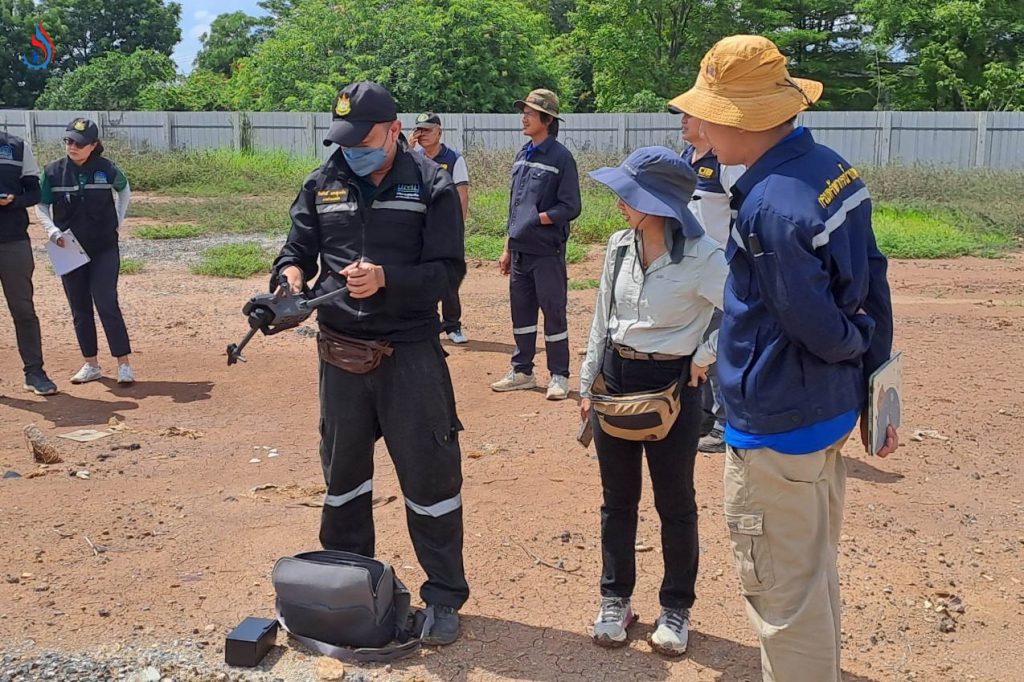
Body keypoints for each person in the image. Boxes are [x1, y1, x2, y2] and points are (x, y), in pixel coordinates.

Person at [668, 35, 898, 681]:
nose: (703, 128)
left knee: (782, 595)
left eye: (709, 114)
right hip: (820, 410)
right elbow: (872, 277)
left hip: (780, 417)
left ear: (745, 118)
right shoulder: (828, 169)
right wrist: (869, 373)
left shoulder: (770, 205)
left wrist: (850, 349)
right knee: (810, 573)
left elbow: (810, 320)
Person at [270, 81, 469, 646]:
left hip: (409, 356)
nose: (351, 149)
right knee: (344, 483)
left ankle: (444, 595)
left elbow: (448, 273)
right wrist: (288, 280)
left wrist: (387, 280)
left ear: (393, 130)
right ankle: (348, 587)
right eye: (345, 139)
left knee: (432, 483)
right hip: (340, 355)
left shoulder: (431, 183)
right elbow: (295, 252)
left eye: (363, 139)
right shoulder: (322, 182)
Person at [579, 147, 727, 655]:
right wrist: (586, 381)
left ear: (660, 203)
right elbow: (601, 316)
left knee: (675, 503)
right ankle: (615, 598)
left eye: (629, 194)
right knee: (617, 500)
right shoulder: (620, 246)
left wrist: (705, 355)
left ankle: (676, 607)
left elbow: (743, 314)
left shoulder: (706, 257)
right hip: (615, 380)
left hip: (674, 388)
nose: (619, 202)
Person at [490, 89, 581, 401]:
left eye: (530, 112)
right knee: (522, 314)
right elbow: (515, 207)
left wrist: (539, 219)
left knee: (553, 313)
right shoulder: (522, 154)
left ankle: (559, 375)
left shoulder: (561, 158)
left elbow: (571, 206)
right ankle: (523, 371)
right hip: (520, 253)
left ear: (548, 119)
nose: (524, 117)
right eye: (524, 111)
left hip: (546, 252)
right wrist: (507, 247)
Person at [36, 118, 135, 385]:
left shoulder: (106, 168)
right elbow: (41, 205)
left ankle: (123, 363)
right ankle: (91, 364)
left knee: (105, 301)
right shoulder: (53, 172)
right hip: (67, 247)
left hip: (103, 246)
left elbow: (124, 189)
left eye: (79, 143)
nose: (72, 147)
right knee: (79, 306)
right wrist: (51, 231)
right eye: (68, 141)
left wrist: (119, 220)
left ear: (93, 145)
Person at [673, 108, 746, 453]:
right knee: (694, 344)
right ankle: (702, 417)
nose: (683, 120)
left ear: (707, 121)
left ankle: (723, 423)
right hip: (690, 269)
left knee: (716, 348)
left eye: (689, 115)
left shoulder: (725, 164)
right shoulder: (685, 159)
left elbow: (742, 215)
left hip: (719, 269)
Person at [0, 130, 57, 396]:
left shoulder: (17, 146)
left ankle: (34, 373)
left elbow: (34, 192)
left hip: (13, 241)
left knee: (23, 310)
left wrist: (14, 202)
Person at [410, 112, 470, 344]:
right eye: (419, 130)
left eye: (427, 130)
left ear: (439, 131)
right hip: (419, 228)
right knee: (420, 277)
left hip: (446, 228)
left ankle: (452, 326)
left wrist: (458, 228)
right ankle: (427, 323)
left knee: (448, 278)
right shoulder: (413, 157)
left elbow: (462, 195)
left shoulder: (454, 158)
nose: (422, 134)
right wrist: (406, 148)